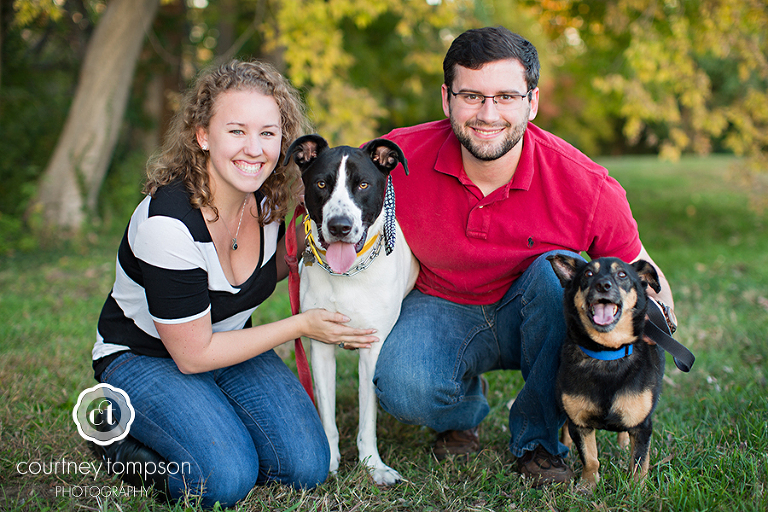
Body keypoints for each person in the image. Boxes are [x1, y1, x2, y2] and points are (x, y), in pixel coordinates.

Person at [373, 26, 677, 487]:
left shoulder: (583, 181)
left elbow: (642, 270)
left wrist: (658, 325)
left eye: (506, 97)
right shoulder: (397, 157)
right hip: (442, 305)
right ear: (446, 98)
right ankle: (465, 410)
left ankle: (539, 443)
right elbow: (327, 193)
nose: (487, 114)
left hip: (541, 311)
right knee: (402, 386)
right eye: (471, 96)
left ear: (531, 102)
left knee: (556, 270)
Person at [90, 60, 377, 507]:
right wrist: (303, 325)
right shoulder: (168, 223)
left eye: (267, 133)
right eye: (236, 131)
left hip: (228, 347)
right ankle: (116, 439)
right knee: (224, 480)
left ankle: (210, 418)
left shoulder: (271, 203)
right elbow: (193, 353)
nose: (254, 148)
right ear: (203, 135)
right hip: (147, 357)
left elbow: (276, 266)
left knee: (306, 466)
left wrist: (326, 231)